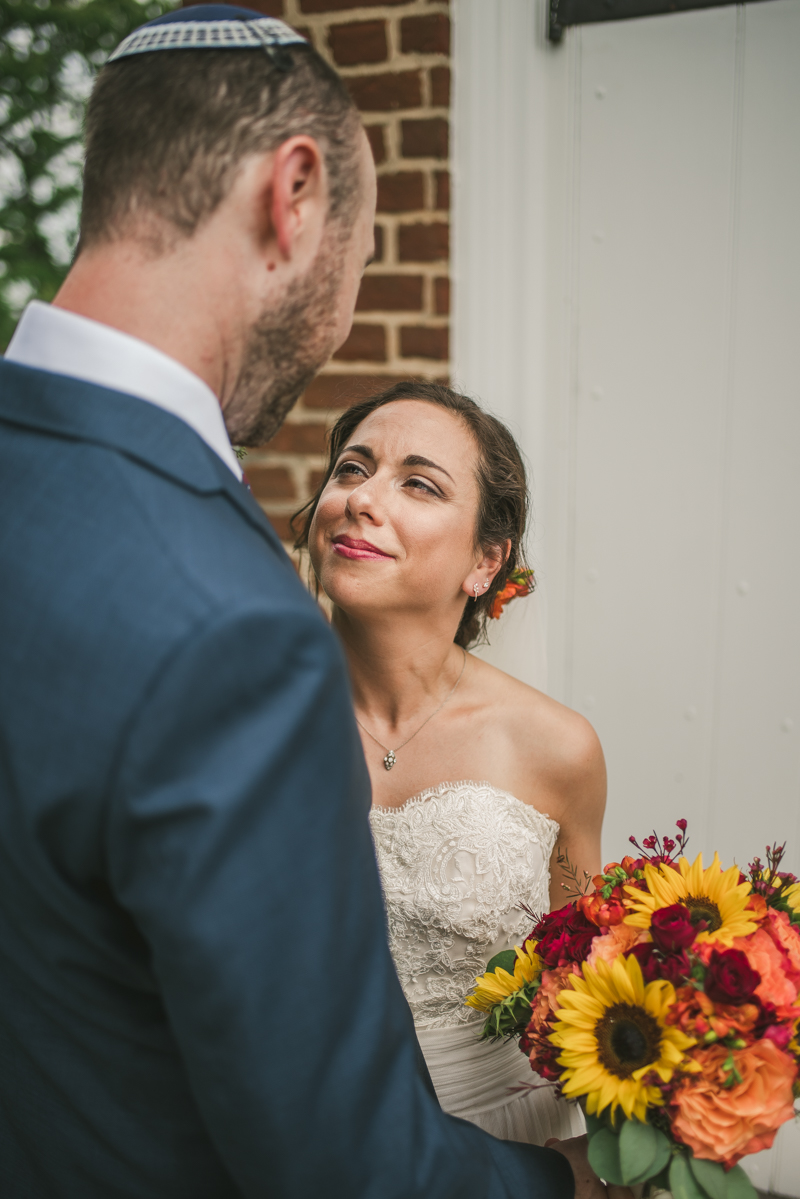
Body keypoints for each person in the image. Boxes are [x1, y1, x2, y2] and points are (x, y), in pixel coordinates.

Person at [0, 7, 627, 1198]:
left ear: (486, 558)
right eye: (361, 244)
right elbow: (340, 1156)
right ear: (293, 196)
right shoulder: (239, 634)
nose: (342, 311)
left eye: (419, 482)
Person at [296, 381, 605, 1142]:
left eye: (418, 484)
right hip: (308, 1136)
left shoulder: (556, 747)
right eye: (351, 469)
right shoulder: (247, 719)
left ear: (485, 561)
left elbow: (590, 982)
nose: (363, 499)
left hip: (514, 1143)